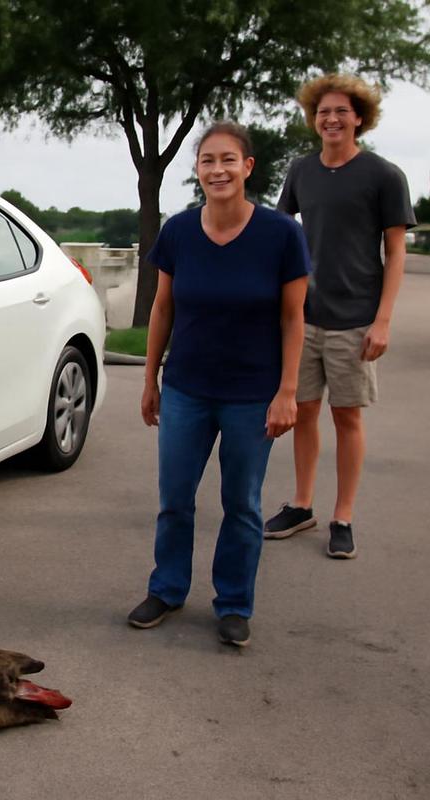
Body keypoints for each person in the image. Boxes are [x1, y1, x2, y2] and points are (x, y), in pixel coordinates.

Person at [127, 121, 310, 648]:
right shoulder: (179, 232)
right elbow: (163, 306)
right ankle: (167, 589)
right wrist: (150, 379)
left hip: (253, 394)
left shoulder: (281, 235)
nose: (218, 170)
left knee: (243, 504)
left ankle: (233, 602)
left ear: (248, 167)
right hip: (186, 387)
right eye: (208, 161)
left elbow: (293, 318)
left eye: (228, 160)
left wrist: (287, 391)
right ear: (198, 171)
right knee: (174, 499)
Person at [263, 75, 416, 559]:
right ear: (314, 118)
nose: (331, 119)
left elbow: (395, 252)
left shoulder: (383, 175)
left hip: (355, 317)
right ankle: (302, 504)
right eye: (323, 111)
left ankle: (343, 515)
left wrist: (384, 320)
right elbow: (281, 232)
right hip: (304, 316)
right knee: (303, 411)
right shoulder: (301, 171)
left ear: (359, 118)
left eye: (341, 112)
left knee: (346, 416)